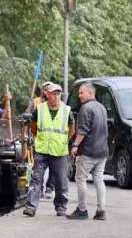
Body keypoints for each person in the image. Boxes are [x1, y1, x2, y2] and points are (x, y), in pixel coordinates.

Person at [23, 82, 75, 217]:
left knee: (61, 180)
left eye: (58, 94)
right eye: (53, 94)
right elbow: (33, 127)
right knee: (36, 179)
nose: (56, 97)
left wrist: (64, 140)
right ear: (47, 94)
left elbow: (72, 128)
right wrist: (39, 138)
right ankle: (31, 207)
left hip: (59, 150)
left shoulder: (66, 110)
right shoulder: (39, 109)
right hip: (42, 150)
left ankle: (61, 207)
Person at [66, 83, 109, 220]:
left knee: (81, 179)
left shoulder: (86, 108)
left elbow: (83, 130)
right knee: (99, 180)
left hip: (88, 151)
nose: (79, 96)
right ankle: (101, 210)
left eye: (81, 93)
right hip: (102, 151)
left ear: (90, 93)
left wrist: (75, 145)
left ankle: (82, 210)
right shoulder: (102, 108)